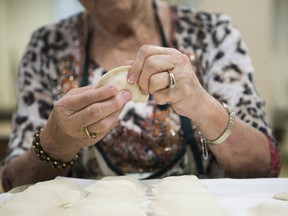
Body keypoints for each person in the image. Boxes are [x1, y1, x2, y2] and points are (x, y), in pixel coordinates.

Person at [1, 0, 281, 192]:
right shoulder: (47, 48)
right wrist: (55, 142)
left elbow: (263, 167)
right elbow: (15, 183)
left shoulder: (212, 33)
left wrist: (203, 106)